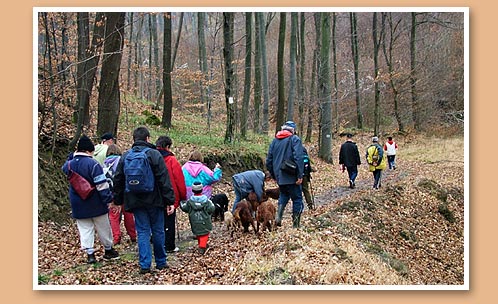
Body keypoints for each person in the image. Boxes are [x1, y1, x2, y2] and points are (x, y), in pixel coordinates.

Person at [113, 127, 176, 274]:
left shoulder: (126, 156)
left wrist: (118, 200)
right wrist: (169, 201)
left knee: (142, 231)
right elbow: (163, 179)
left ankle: (145, 264)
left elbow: (118, 179)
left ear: (134, 139)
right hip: (155, 200)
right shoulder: (154, 155)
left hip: (135, 200)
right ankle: (161, 262)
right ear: (148, 138)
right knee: (158, 230)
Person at [61, 134, 119, 264]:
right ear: (89, 151)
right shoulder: (93, 164)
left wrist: (71, 156)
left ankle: (90, 254)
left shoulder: (69, 165)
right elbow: (102, 185)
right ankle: (108, 250)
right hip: (95, 202)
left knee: (85, 228)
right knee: (103, 227)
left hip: (78, 202)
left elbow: (64, 167)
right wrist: (109, 200)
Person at [265, 120, 305, 228]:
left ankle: (278, 217)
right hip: (292, 176)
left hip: (280, 178)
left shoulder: (274, 141)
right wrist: (300, 175)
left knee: (283, 195)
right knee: (297, 199)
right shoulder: (294, 139)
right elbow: (299, 158)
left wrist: (275, 176)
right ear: (293, 130)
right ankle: (296, 225)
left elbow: (269, 161)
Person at [156, 135, 187, 253]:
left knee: (156, 221)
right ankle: (169, 245)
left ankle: (156, 243)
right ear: (168, 147)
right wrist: (182, 196)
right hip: (169, 196)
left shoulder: (150, 157)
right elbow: (179, 180)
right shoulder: (171, 160)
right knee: (169, 221)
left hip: (153, 196)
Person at [103, 144, 137, 245]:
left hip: (111, 193)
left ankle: (116, 237)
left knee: (113, 216)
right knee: (128, 215)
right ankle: (133, 235)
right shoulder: (122, 160)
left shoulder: (104, 164)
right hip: (125, 192)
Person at [180, 182, 215, 255]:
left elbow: (184, 208)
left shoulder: (190, 201)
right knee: (205, 234)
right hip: (205, 221)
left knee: (199, 233)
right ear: (202, 190)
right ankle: (202, 247)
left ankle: (202, 244)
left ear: (192, 190)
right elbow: (212, 208)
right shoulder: (206, 201)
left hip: (194, 222)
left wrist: (181, 203)